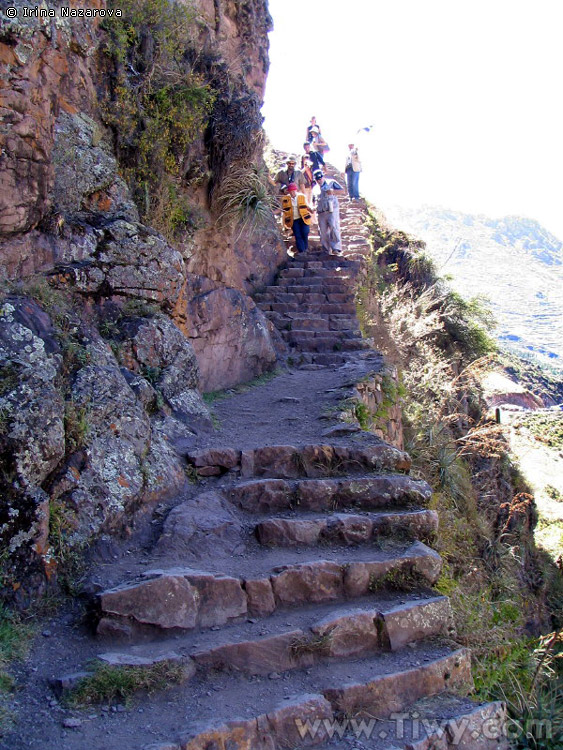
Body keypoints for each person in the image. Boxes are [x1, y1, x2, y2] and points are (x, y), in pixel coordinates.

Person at [313, 169, 344, 255]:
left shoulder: (331, 182)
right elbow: (313, 200)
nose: (319, 180)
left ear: (323, 176)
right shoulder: (315, 188)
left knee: (334, 227)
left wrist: (333, 192)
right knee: (322, 231)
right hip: (321, 212)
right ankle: (326, 249)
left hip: (332, 209)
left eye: (320, 178)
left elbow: (342, 191)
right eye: (317, 179)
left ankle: (336, 248)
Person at [281, 183, 314, 254]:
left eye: (293, 191)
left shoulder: (302, 196)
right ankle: (302, 251)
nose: (292, 193)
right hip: (294, 220)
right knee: (297, 234)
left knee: (305, 232)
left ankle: (305, 248)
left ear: (296, 190)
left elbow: (307, 205)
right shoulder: (286, 199)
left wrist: (311, 209)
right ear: (288, 192)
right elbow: (283, 209)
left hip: (303, 218)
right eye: (290, 191)